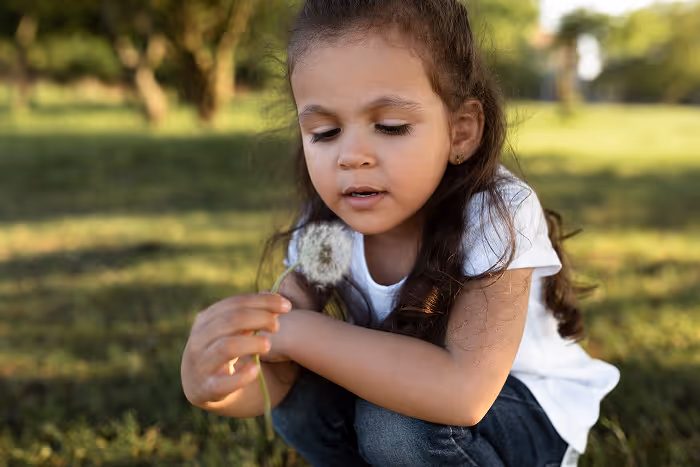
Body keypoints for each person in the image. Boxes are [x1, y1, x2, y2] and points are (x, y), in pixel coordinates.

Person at [180, 1, 620, 465]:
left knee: (393, 424)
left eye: (390, 126)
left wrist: (296, 333)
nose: (352, 156)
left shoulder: (496, 213)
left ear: (460, 132)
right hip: (405, 415)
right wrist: (216, 384)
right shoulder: (326, 231)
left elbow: (463, 395)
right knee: (305, 401)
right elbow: (279, 385)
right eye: (325, 132)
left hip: (521, 415)